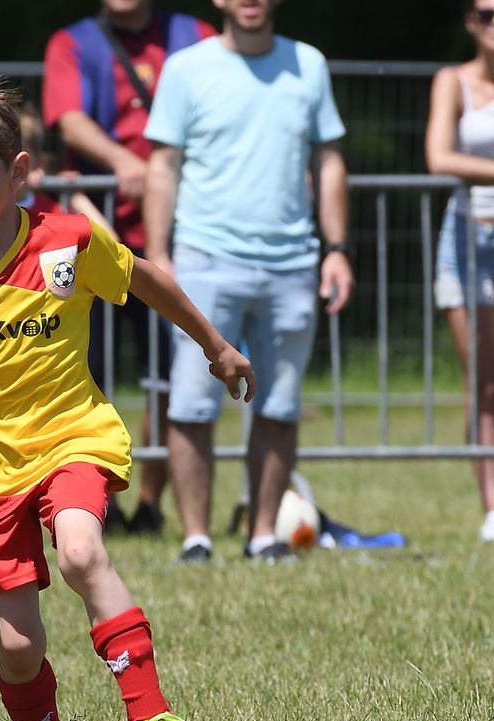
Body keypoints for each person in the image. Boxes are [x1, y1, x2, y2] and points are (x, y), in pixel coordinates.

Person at [0, 75, 253, 721]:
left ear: (19, 173)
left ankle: (153, 718)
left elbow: (147, 279)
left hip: (75, 437)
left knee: (81, 550)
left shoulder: (66, 239)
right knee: (18, 648)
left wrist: (214, 346)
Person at [142, 0, 353, 564]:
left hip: (292, 261)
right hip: (205, 258)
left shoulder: (308, 64)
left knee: (279, 405)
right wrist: (159, 254)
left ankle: (262, 535)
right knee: (190, 405)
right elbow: (162, 165)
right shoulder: (186, 68)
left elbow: (329, 159)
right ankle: (196, 539)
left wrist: (337, 250)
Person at [43, 0, 215, 536]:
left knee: (168, 378)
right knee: (80, 375)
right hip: (89, 238)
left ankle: (149, 505)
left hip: (175, 241)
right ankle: (95, 500)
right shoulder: (70, 43)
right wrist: (125, 164)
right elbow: (68, 121)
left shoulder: (197, 33)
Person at [0, 101, 111, 575]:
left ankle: (68, 516)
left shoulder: (57, 223)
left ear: (25, 167)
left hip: (51, 401)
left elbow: (119, 258)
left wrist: (80, 204)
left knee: (78, 547)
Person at [425, 0, 494, 542]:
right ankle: (492, 506)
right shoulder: (453, 80)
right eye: (486, 13)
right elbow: (439, 156)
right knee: (483, 382)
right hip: (468, 243)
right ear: (471, 22)